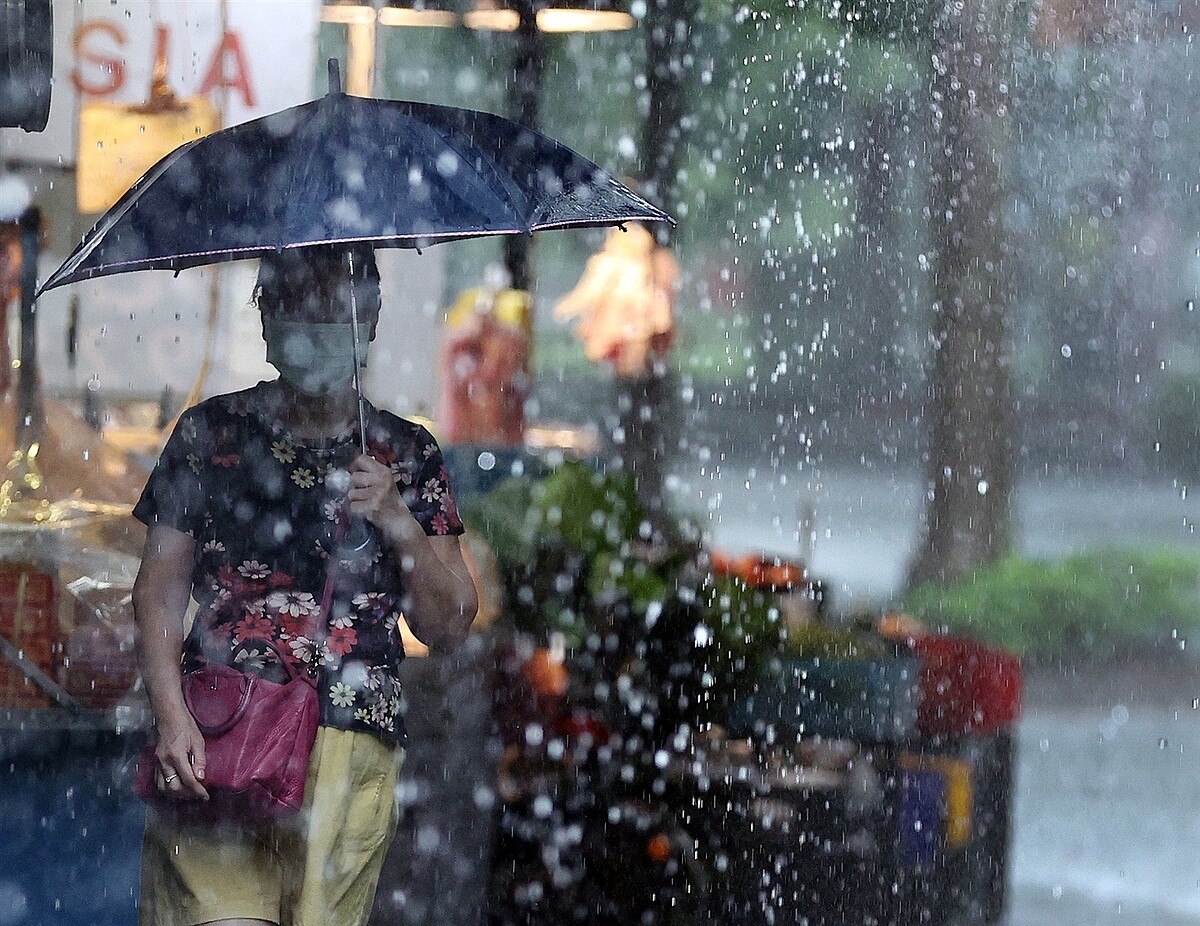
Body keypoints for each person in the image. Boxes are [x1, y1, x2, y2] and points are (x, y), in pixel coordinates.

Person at [132, 244, 479, 926]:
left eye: (336, 313)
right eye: (295, 308)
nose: (315, 329)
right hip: (221, 729)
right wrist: (171, 715)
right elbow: (159, 589)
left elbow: (448, 624)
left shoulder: (406, 453)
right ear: (266, 321)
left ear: (369, 326)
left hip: (348, 741)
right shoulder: (210, 434)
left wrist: (396, 521)